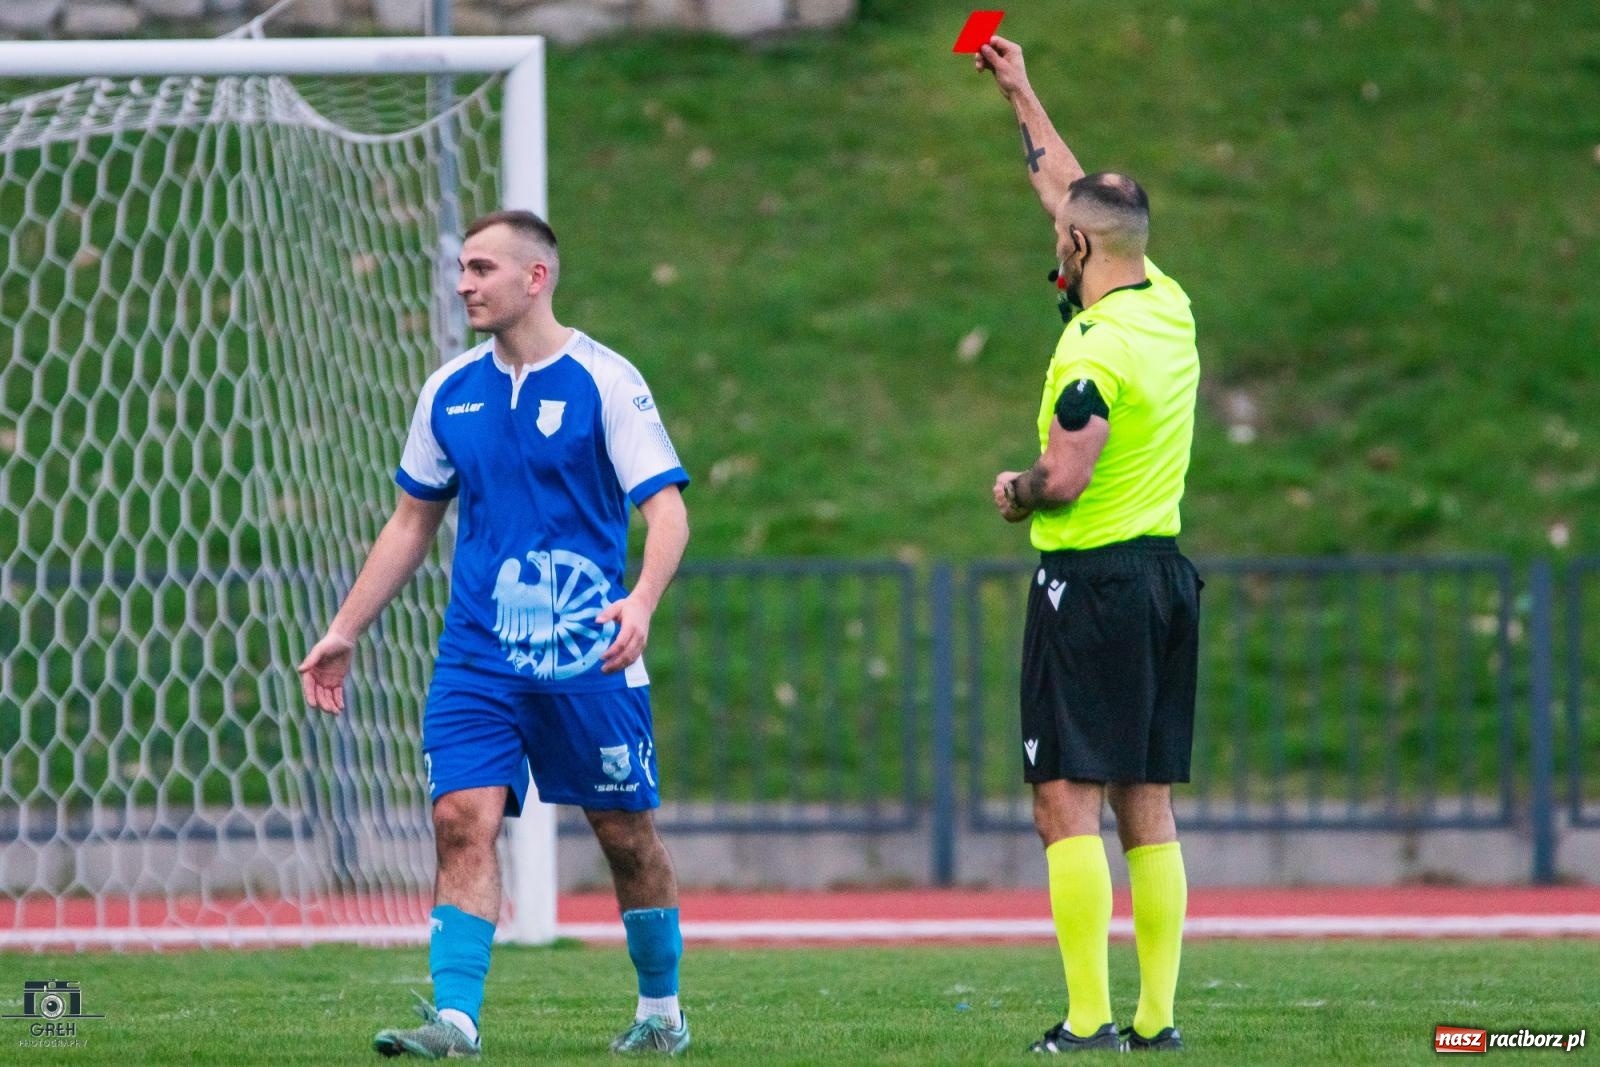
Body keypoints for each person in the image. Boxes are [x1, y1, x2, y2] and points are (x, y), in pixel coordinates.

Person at [298, 209, 693, 1059]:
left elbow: (666, 510)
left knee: (626, 836)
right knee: (459, 819)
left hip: (589, 652)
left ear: (535, 277)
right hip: (478, 655)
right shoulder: (449, 390)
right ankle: (457, 1020)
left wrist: (643, 600)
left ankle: (660, 1008)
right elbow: (411, 522)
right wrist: (345, 628)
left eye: (481, 268)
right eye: (463, 269)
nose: (464, 284)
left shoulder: (606, 380)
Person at [977, 36, 1203, 1055]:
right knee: (1141, 798)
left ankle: (1083, 1018)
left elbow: (1063, 475)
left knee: (1061, 797)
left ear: (1078, 253)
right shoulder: (1167, 305)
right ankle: (1155, 1021)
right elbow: (1073, 195)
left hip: (1091, 581)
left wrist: (1016, 490)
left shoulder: (1093, 348)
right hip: (1162, 577)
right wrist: (1021, 89)